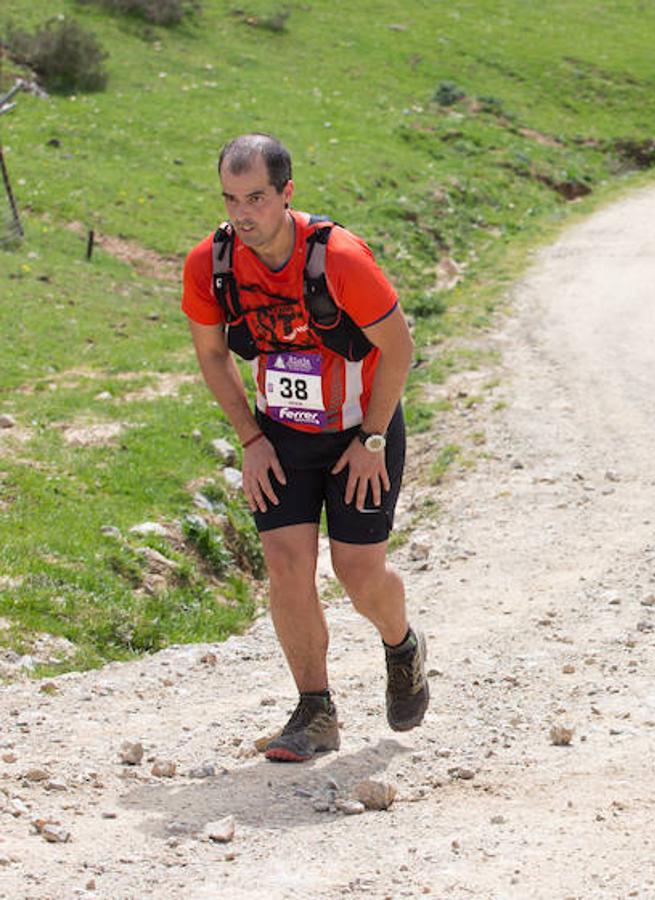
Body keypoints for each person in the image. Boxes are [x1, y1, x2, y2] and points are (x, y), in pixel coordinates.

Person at [181, 133, 429, 761]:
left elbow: (399, 347)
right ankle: (315, 711)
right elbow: (212, 355)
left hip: (359, 431)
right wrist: (251, 439)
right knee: (288, 566)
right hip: (282, 435)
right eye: (232, 199)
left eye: (257, 198)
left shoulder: (339, 258)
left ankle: (402, 647)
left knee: (358, 572)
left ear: (286, 194)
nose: (243, 214)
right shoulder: (209, 264)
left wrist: (373, 437)